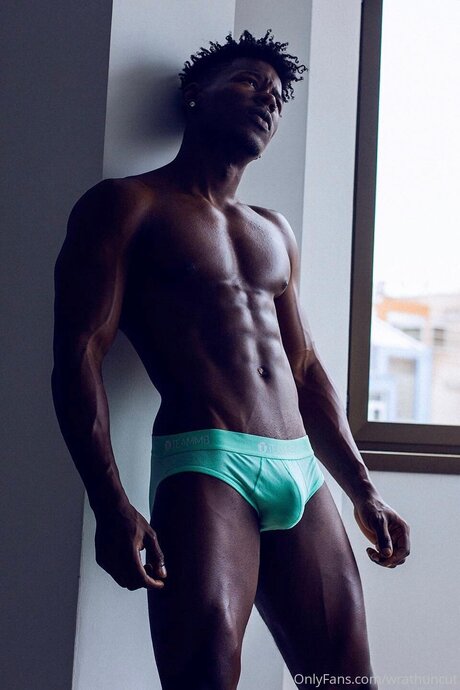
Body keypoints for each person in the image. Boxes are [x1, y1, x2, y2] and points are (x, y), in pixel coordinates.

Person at [52, 30, 410, 690]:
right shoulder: (126, 205)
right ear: (196, 96)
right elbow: (80, 352)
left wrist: (362, 488)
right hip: (206, 462)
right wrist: (110, 503)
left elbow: (304, 367)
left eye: (277, 97)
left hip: (301, 471)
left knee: (345, 681)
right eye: (248, 83)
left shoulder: (274, 230)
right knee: (205, 673)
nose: (267, 101)